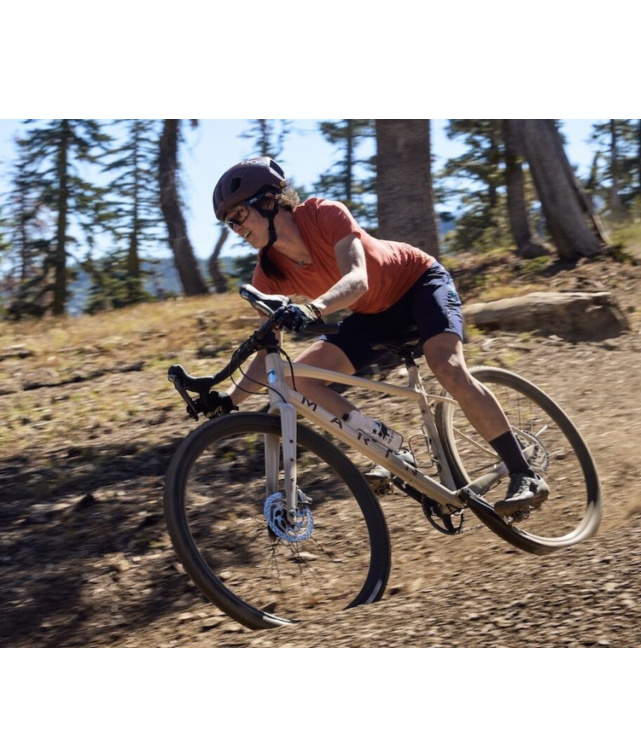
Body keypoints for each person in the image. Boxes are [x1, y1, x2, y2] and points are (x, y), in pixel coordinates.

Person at [208, 156, 548, 514]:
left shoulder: (324, 214)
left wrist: (313, 308)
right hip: (373, 314)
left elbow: (358, 279)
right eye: (229, 223)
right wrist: (229, 401)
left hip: (419, 284)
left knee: (446, 366)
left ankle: (524, 473)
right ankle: (388, 446)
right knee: (297, 380)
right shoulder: (267, 275)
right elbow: (268, 354)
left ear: (268, 201)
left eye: (239, 215)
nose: (235, 228)